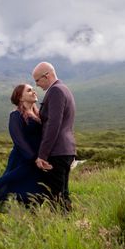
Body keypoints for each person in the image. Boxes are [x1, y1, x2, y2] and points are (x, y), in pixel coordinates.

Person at [0, 84, 52, 218]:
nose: (33, 91)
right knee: (16, 187)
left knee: (37, 190)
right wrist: (33, 158)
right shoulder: (16, 115)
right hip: (23, 160)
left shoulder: (39, 114)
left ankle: (32, 217)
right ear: (20, 97)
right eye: (29, 90)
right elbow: (18, 140)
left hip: (38, 160)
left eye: (33, 89)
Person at [32, 62, 76, 212]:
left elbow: (53, 125)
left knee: (55, 196)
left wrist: (42, 155)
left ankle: (62, 228)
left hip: (57, 151)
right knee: (62, 193)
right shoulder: (64, 89)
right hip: (66, 149)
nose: (36, 85)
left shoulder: (56, 91)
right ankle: (70, 226)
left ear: (47, 75)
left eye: (37, 80)